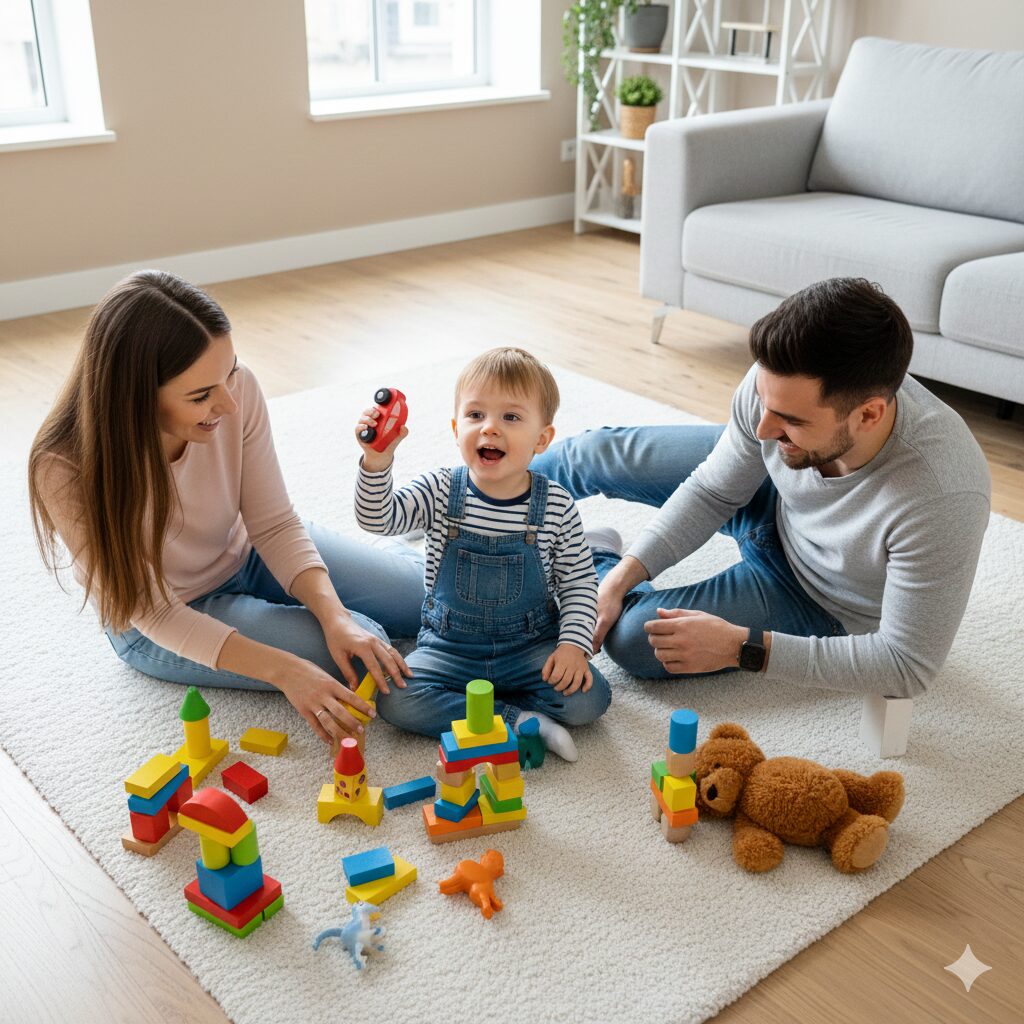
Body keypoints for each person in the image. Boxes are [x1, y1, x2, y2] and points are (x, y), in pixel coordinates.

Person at [532, 277, 991, 699]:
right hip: (770, 496)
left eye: (790, 419)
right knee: (590, 454)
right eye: (766, 403)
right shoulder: (778, 389)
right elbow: (715, 490)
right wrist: (619, 581)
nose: (764, 427)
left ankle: (593, 553)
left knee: (636, 639)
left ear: (868, 414)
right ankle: (469, 506)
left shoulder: (942, 495)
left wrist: (742, 647)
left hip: (814, 595)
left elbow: (907, 665)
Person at [28, 270, 424, 746]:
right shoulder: (63, 467)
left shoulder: (236, 390)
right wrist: (285, 671)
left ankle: (405, 558)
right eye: (201, 396)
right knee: (365, 648)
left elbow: (274, 522)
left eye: (229, 372)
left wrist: (332, 614)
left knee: (430, 596)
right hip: (163, 614)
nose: (230, 404)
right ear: (132, 399)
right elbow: (152, 612)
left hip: (248, 550)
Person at [353, 347, 612, 761]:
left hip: (529, 648)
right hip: (450, 648)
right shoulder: (440, 489)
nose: (489, 428)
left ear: (542, 438)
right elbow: (377, 518)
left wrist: (572, 647)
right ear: (457, 428)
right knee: (396, 700)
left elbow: (580, 584)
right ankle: (518, 720)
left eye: (510, 417)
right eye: (476, 416)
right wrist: (376, 461)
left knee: (590, 700)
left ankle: (601, 549)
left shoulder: (557, 505)